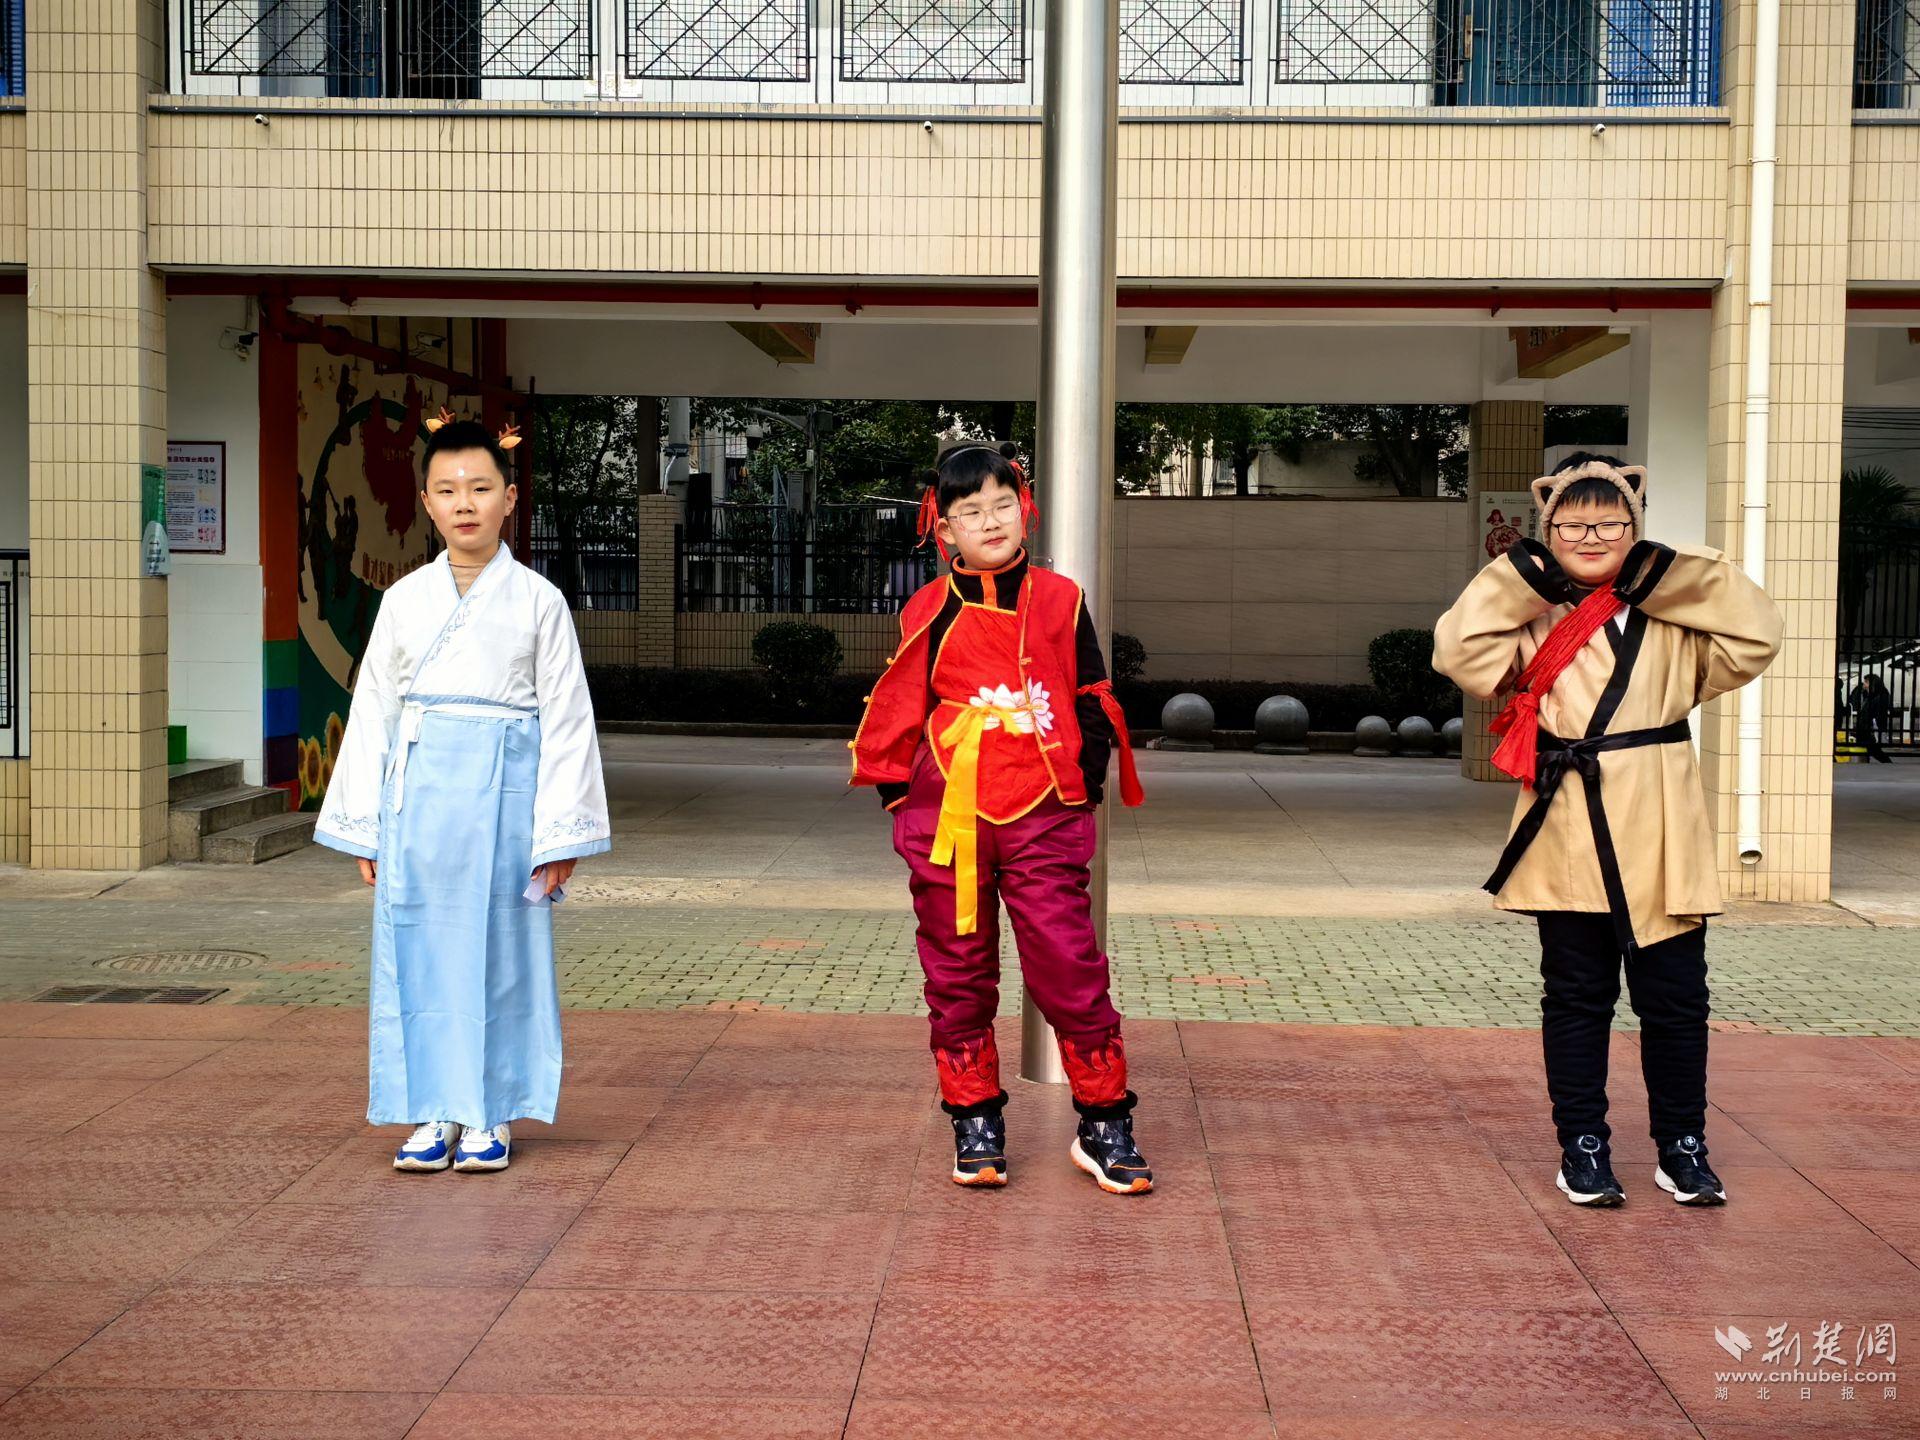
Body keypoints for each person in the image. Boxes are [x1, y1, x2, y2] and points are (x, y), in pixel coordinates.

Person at [1434, 453, 1781, 1208]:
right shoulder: (1533, 615)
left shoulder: (1673, 616)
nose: (1591, 536)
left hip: (1660, 825)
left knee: (1677, 999)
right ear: (1545, 526)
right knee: (1578, 996)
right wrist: (1523, 573)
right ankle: (1582, 1146)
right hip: (1567, 823)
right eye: (1570, 523)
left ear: (1637, 526)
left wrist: (1665, 575)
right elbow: (1458, 652)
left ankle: (1683, 1145)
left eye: (1610, 522)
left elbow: (1757, 634)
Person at [851, 441, 1151, 1194]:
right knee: (956, 970)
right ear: (942, 527)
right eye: (969, 511)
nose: (990, 520)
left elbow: (1091, 692)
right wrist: (901, 797)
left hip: (1044, 806)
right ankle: (975, 1118)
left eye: (1002, 504)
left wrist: (1084, 778)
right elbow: (899, 705)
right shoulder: (924, 608)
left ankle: (1104, 1120)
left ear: (1025, 510)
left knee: (1069, 964)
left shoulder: (1061, 598)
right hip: (948, 810)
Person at [316, 411, 610, 1174]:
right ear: (426, 501)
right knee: (417, 950)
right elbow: (375, 705)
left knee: (503, 954)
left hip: (507, 797)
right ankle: (431, 1108)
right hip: (419, 801)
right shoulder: (405, 601)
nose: (465, 502)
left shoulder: (539, 600)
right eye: (448, 489)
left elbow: (570, 719)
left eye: (481, 486)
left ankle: (491, 1111)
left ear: (510, 498)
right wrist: (365, 827)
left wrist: (562, 835)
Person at [1849, 672, 1894, 763]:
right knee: (1871, 749)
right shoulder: (1870, 695)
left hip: (1871, 728)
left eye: (1866, 682)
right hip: (1866, 728)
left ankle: (1888, 763)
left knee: (1873, 749)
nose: (1864, 685)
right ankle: (1885, 763)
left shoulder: (1880, 696)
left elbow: (1877, 713)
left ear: (1871, 683)